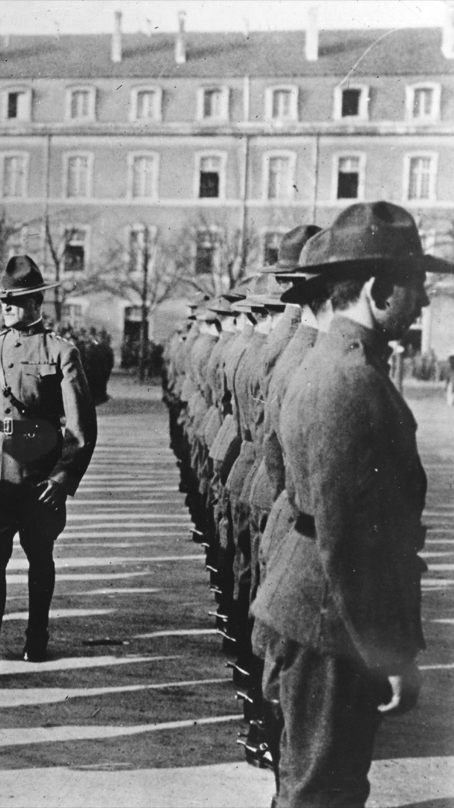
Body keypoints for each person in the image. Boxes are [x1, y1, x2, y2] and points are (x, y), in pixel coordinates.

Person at [252, 201, 451, 806]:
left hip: (318, 610)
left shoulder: (331, 365)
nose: (420, 302)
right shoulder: (350, 381)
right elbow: (349, 541)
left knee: (315, 783)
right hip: (330, 620)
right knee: (322, 792)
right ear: (375, 288)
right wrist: (387, 650)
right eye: (414, 287)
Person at [0, 256, 96, 684]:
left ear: (36, 302)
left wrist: (64, 479)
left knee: (39, 556)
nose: (6, 307)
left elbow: (81, 428)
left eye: (16, 300)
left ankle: (36, 635)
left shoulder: (62, 353)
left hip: (39, 477)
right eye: (3, 300)